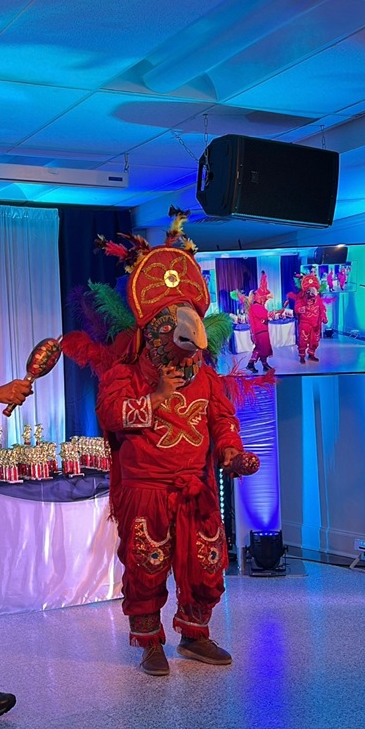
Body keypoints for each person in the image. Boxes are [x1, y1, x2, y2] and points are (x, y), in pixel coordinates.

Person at [81, 213, 259, 676]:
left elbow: (222, 419)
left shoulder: (207, 378)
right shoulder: (124, 374)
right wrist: (156, 397)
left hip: (196, 487)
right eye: (167, 324)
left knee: (205, 564)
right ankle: (149, 643)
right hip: (147, 491)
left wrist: (230, 452)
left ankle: (195, 636)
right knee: (146, 565)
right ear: (151, 330)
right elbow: (110, 415)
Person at [293, 272, 327, 364]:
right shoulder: (301, 298)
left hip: (316, 323)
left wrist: (324, 317)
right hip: (305, 323)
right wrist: (303, 308)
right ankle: (302, 356)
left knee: (314, 340)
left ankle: (311, 354)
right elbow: (297, 309)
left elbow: (322, 308)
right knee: (303, 340)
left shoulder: (318, 299)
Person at [244, 272, 273, 373]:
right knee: (261, 349)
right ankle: (251, 364)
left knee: (263, 348)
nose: (266, 299)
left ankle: (264, 365)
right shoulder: (256, 307)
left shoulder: (258, 306)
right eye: (264, 297)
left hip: (262, 331)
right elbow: (265, 315)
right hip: (260, 332)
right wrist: (275, 313)